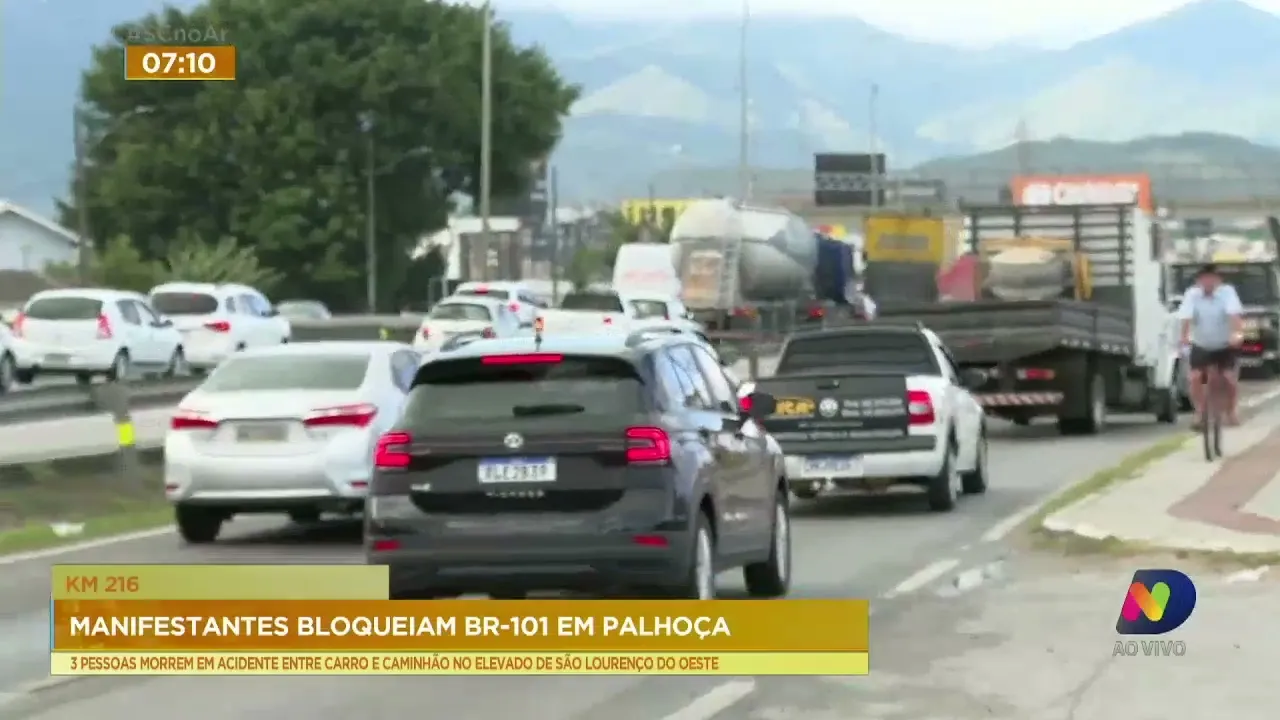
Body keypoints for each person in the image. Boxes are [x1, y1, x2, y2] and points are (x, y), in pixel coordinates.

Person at [1177, 263, 1245, 428]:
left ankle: (1231, 410)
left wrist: (1236, 334)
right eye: (1204, 279)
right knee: (1194, 378)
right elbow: (1186, 318)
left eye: (1211, 279)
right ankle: (1200, 412)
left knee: (1229, 379)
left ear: (1218, 280)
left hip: (1224, 344)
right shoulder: (1192, 294)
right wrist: (1184, 338)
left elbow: (1234, 317)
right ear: (1199, 281)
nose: (1208, 283)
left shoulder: (1227, 293)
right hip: (1201, 344)